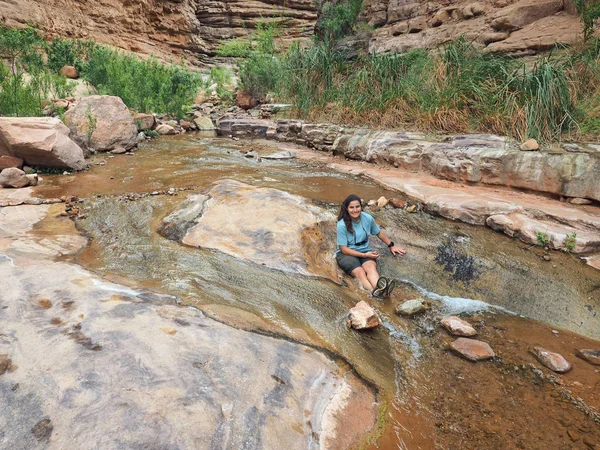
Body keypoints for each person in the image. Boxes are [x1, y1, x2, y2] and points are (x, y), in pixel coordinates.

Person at [336, 194, 406, 297]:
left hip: (365, 250)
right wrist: (365, 255)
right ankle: (375, 292)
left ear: (361, 207)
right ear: (347, 209)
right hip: (346, 255)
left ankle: (381, 290)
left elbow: (378, 232)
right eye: (352, 207)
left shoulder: (367, 218)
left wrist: (391, 245)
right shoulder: (341, 225)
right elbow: (344, 249)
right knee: (360, 272)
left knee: (371, 268)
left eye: (357, 207)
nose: (355, 210)